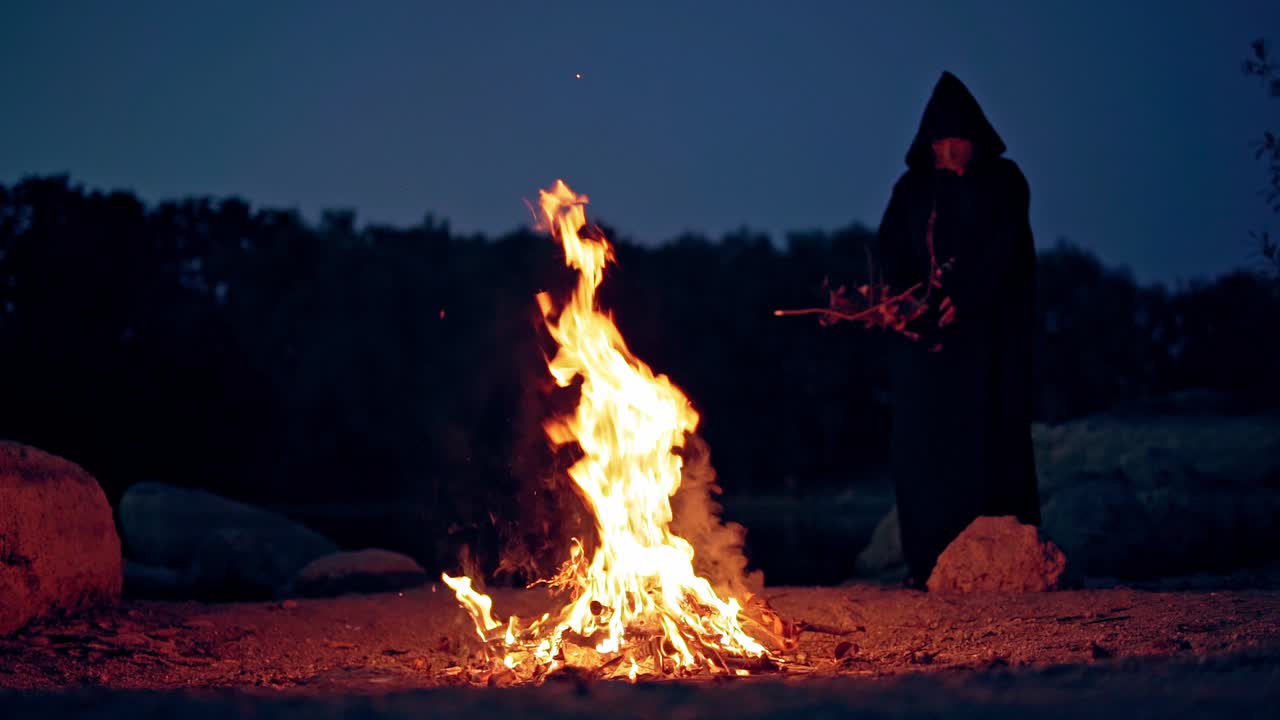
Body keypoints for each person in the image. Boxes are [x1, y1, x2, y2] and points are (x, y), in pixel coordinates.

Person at [875, 71, 1041, 588]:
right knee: (925, 449)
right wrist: (905, 304)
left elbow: (1006, 252)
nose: (947, 150)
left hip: (988, 342)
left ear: (976, 139)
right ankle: (928, 563)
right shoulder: (912, 190)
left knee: (993, 443)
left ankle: (1006, 563)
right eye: (939, 141)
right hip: (927, 351)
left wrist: (964, 297)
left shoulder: (1004, 183)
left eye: (956, 139)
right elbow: (891, 254)